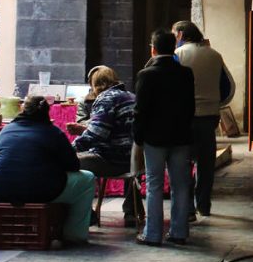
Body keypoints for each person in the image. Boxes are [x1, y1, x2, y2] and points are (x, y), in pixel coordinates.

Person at [0, 96, 95, 244]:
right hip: (42, 191)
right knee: (87, 179)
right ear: (48, 112)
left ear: (22, 109)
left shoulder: (5, 131)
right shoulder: (53, 132)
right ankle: (74, 235)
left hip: (1, 191)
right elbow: (73, 166)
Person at [133, 29, 195, 246]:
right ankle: (179, 232)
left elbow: (141, 111)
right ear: (174, 48)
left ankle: (152, 233)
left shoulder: (146, 75)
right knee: (181, 185)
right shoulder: (186, 74)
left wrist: (138, 137)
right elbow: (190, 107)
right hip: (180, 137)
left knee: (154, 185)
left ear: (153, 49)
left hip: (154, 138)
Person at [172, 20, 234, 220]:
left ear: (181, 34)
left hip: (184, 117)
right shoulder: (214, 55)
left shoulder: (178, 56)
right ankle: (204, 205)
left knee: (183, 162)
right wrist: (216, 103)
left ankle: (188, 208)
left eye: (174, 35)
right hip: (209, 116)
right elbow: (228, 86)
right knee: (206, 164)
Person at [67, 66, 140, 227]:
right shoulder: (131, 97)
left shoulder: (107, 98)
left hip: (112, 159)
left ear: (95, 84)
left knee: (66, 163)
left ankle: (87, 214)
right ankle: (130, 212)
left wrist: (69, 150)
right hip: (135, 159)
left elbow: (97, 133)